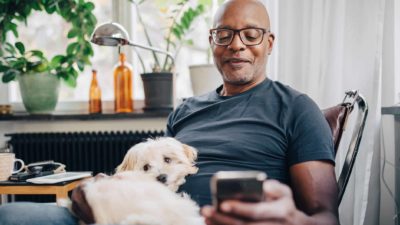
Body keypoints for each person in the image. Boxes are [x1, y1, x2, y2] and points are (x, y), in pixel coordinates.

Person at [0, 0, 339, 225]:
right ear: (212, 41)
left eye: (251, 35)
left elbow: (325, 216)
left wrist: (292, 220)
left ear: (269, 43)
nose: (237, 45)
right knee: (11, 214)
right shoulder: (185, 111)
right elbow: (156, 176)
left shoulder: (296, 108)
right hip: (136, 216)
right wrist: (107, 189)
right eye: (225, 34)